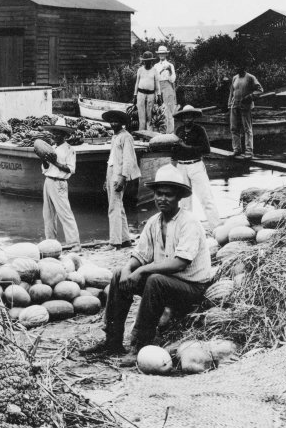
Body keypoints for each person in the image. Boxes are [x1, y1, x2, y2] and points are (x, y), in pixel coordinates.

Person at [80, 164, 214, 365]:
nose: (162, 199)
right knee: (118, 274)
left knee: (154, 280)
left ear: (179, 197)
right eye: (159, 194)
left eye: (168, 195)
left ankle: (139, 344)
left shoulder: (189, 222)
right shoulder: (153, 222)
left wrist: (141, 270)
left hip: (191, 288)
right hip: (167, 284)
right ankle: (112, 340)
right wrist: (127, 269)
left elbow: (179, 263)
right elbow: (140, 255)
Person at [172, 105, 220, 229]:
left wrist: (186, 147)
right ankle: (187, 228)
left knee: (206, 198)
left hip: (196, 165)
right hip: (181, 166)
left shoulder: (199, 130)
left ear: (193, 117)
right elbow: (175, 151)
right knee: (184, 202)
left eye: (190, 116)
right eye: (185, 117)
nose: (187, 119)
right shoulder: (179, 131)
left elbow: (206, 149)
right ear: (182, 118)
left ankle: (216, 228)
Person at [103, 109, 140, 249]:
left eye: (116, 121)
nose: (113, 123)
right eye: (111, 121)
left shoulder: (126, 137)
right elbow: (112, 159)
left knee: (114, 207)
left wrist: (123, 178)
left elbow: (128, 159)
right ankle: (125, 239)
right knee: (119, 206)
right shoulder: (115, 137)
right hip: (112, 171)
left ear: (122, 123)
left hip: (119, 174)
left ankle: (114, 242)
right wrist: (107, 179)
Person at [41, 121, 81, 249]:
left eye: (58, 134)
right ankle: (51, 243)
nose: (54, 136)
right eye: (53, 133)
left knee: (65, 213)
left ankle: (74, 243)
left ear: (64, 136)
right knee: (48, 214)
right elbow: (46, 168)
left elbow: (70, 169)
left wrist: (56, 162)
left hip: (59, 183)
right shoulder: (52, 148)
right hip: (48, 181)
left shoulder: (69, 149)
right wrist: (43, 159)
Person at [228, 61, 263, 159]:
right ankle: (236, 150)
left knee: (247, 129)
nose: (237, 68)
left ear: (244, 67)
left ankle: (249, 152)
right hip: (235, 106)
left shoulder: (250, 78)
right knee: (234, 128)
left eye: (239, 66)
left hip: (245, 107)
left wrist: (250, 96)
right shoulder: (235, 78)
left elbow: (260, 90)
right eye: (236, 66)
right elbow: (232, 92)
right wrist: (229, 104)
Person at [133, 51, 162, 131]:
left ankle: (149, 134)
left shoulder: (154, 71)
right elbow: (137, 83)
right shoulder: (140, 70)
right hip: (141, 94)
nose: (147, 62)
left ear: (151, 61)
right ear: (144, 61)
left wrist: (159, 96)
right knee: (141, 116)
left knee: (149, 116)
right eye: (146, 61)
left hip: (151, 95)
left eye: (149, 61)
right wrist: (135, 95)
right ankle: (141, 134)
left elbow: (157, 84)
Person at [155, 45, 177, 133]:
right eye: (160, 54)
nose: (162, 55)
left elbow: (173, 79)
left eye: (163, 53)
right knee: (159, 109)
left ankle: (170, 132)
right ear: (158, 55)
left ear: (166, 54)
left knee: (169, 109)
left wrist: (170, 71)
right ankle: (161, 131)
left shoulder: (170, 65)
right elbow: (155, 78)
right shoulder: (155, 66)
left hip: (167, 86)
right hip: (158, 87)